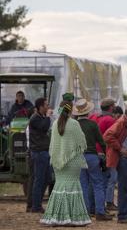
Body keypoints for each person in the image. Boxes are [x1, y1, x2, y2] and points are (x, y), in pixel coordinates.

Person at [40, 93, 91, 226]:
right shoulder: (74, 124)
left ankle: (57, 216)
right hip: (72, 160)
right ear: (71, 109)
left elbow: (53, 144)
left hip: (57, 161)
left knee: (59, 186)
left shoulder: (56, 123)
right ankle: (74, 217)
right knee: (72, 186)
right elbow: (82, 142)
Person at [74, 99, 112, 221]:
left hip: (78, 157)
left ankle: (85, 212)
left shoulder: (74, 125)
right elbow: (101, 142)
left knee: (83, 185)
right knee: (98, 184)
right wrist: (106, 155)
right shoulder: (92, 124)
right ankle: (100, 212)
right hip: (92, 156)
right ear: (88, 112)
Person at [90, 97, 118, 211]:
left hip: (93, 152)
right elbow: (114, 137)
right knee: (109, 179)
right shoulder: (110, 120)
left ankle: (93, 206)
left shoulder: (93, 117)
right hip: (106, 152)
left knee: (94, 181)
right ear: (111, 107)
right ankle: (108, 202)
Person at [28, 97, 53, 213]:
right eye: (46, 105)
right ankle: (36, 206)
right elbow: (44, 127)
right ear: (40, 107)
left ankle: (37, 203)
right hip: (38, 153)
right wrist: (48, 116)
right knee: (39, 180)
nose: (48, 107)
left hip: (44, 152)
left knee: (47, 178)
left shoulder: (40, 117)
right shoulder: (35, 119)